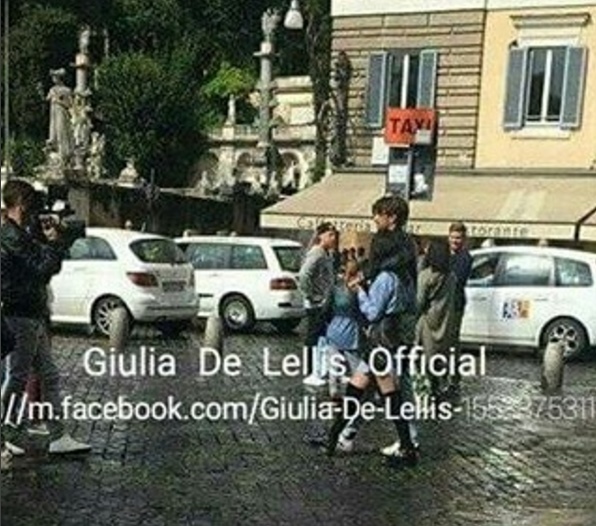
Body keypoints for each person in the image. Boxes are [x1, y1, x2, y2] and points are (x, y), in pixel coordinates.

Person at [1, 179, 91, 460]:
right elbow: (41, 270)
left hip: (33, 313)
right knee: (15, 379)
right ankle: (4, 435)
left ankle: (57, 435)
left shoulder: (20, 232)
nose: (33, 212)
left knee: (48, 374)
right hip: (19, 314)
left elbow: (44, 263)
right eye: (30, 205)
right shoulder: (9, 235)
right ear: (19, 205)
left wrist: (51, 240)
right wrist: (54, 244)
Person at [325, 230, 419, 468]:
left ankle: (406, 446)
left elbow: (373, 311)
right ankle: (335, 436)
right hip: (391, 339)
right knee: (358, 389)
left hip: (381, 342)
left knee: (388, 396)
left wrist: (359, 292)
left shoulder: (386, 277)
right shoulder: (406, 276)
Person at [415, 239, 459, 398]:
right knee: (441, 355)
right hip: (446, 321)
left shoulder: (425, 276)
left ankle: (427, 389)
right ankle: (440, 386)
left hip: (428, 321)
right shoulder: (452, 277)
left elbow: (419, 302)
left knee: (425, 357)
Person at [298, 222, 337, 384]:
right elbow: (304, 275)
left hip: (323, 301)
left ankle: (318, 368)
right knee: (313, 336)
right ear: (321, 236)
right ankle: (310, 370)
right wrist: (311, 295)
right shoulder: (317, 252)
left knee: (320, 336)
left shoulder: (326, 253)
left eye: (334, 235)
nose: (334, 239)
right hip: (317, 303)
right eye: (330, 235)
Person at [448, 221, 473, 396]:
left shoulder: (465, 257)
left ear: (463, 239)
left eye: (458, 238)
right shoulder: (443, 253)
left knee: (452, 342)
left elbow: (457, 278)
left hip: (455, 304)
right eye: (453, 237)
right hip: (441, 304)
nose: (455, 241)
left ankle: (454, 379)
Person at [46, 68, 74, 164]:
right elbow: (47, 98)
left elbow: (70, 104)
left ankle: (64, 154)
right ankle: (54, 150)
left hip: (61, 112)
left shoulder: (66, 90)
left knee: (61, 131)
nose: (53, 79)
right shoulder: (52, 89)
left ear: (59, 78)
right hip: (53, 113)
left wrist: (59, 101)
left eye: (54, 77)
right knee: (53, 131)